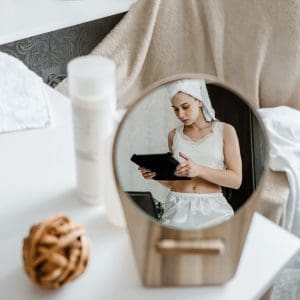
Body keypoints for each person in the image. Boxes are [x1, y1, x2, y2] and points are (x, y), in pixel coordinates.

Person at [138, 79, 242, 229]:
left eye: (185, 106)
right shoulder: (173, 135)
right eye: (175, 109)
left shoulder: (225, 131)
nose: (180, 114)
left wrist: (199, 170)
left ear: (199, 101)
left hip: (213, 209)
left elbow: (236, 180)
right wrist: (156, 175)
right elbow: (173, 181)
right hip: (176, 207)